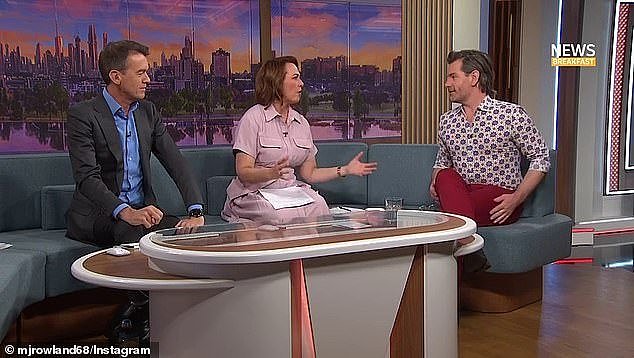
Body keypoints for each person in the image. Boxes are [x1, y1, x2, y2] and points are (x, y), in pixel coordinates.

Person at [66, 40, 205, 247]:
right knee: (131, 231)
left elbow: (176, 163)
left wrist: (195, 210)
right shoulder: (83, 115)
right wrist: (126, 212)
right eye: (140, 73)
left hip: (141, 211)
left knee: (187, 233)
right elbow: (86, 178)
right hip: (100, 214)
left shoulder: (148, 112)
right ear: (116, 77)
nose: (148, 79)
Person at [222, 56, 377, 224]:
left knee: (320, 207)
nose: (301, 83)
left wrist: (345, 170)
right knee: (281, 217)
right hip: (254, 193)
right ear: (277, 82)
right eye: (295, 78)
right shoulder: (253, 118)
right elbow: (243, 171)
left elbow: (309, 173)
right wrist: (270, 173)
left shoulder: (301, 122)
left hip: (288, 192)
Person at [430, 50, 550, 248]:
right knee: (444, 176)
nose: (446, 84)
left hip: (499, 199)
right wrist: (435, 183)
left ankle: (458, 232)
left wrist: (516, 199)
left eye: (453, 77)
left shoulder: (511, 114)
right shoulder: (447, 121)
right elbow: (441, 163)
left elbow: (541, 158)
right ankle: (470, 248)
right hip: (462, 194)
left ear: (474, 78)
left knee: (448, 220)